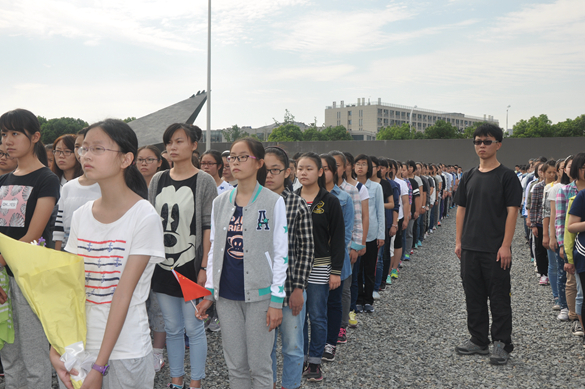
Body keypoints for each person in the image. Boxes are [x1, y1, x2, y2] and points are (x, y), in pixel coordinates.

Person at [50, 119, 166, 389]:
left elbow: (123, 294)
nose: (86, 155)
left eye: (98, 149)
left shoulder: (144, 215)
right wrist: (57, 347)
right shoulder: (81, 215)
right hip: (79, 347)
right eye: (84, 149)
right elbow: (71, 286)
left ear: (126, 159)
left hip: (126, 351)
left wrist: (100, 366)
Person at [197, 138, 288, 389]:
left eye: (242, 157)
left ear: (258, 163)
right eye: (232, 157)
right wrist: (210, 292)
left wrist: (276, 300)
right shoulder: (220, 202)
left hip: (260, 296)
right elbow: (215, 247)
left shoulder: (273, 202)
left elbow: (281, 253)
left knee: (260, 366)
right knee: (235, 366)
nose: (234, 162)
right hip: (226, 296)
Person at [148, 123, 216, 389]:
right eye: (169, 143)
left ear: (193, 145)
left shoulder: (204, 180)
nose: (172, 148)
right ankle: (176, 382)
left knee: (194, 327)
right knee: (172, 328)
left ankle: (196, 383)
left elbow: (208, 226)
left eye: (179, 142)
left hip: (191, 267)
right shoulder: (158, 179)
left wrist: (204, 266)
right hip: (162, 267)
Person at [0, 108, 60, 388]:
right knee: (9, 356)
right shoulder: (4, 180)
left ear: (35, 137)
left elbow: (33, 235)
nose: (7, 141)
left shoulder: (45, 179)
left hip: (30, 277)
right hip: (3, 275)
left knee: (35, 357)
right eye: (3, 135)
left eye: (15, 133)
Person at [454, 123, 522, 365]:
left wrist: (506, 245)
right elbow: (460, 210)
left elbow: (512, 212)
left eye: (487, 141)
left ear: (498, 144)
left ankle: (502, 343)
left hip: (495, 249)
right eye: (477, 141)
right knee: (473, 296)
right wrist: (458, 241)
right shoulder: (468, 176)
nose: (481, 145)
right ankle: (478, 340)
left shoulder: (507, 177)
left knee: (499, 297)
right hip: (470, 247)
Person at [264, 146, 314, 389]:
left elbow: (306, 250)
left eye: (275, 170)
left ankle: (291, 385)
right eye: (265, 170)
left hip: (291, 288)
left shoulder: (297, 204)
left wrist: (298, 288)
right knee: (266, 347)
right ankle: (270, 383)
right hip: (261, 290)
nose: (269, 175)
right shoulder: (254, 202)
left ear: (287, 172)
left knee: (293, 345)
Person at [294, 152, 344, 382]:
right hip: (295, 269)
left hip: (321, 266)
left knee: (317, 315)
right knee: (298, 316)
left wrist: (335, 271)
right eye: (300, 168)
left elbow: (338, 238)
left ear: (320, 172)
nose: (303, 173)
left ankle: (315, 362)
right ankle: (301, 357)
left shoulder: (330, 200)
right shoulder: (291, 198)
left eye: (309, 168)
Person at [320, 153, 353, 362]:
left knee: (333, 303)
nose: (322, 172)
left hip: (335, 260)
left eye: (326, 168)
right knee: (314, 307)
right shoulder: (305, 197)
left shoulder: (344, 198)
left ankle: (330, 343)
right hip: (311, 262)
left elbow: (346, 233)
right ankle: (315, 344)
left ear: (335, 171)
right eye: (319, 167)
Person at [329, 150, 363, 343]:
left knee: (344, 287)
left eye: (337, 165)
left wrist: (355, 246)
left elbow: (357, 220)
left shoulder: (350, 190)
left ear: (344, 168)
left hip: (345, 247)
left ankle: (341, 325)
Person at [53, 128, 102, 252]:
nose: (82, 152)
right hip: (68, 252)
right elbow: (59, 225)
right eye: (77, 146)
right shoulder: (69, 187)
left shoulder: (105, 186)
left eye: (87, 146)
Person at [353, 154, 384, 313]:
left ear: (369, 168)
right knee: (357, 270)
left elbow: (380, 211)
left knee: (369, 269)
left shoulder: (376, 187)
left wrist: (381, 235)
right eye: (357, 164)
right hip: (356, 234)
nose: (360, 167)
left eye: (364, 164)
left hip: (372, 234)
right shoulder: (351, 186)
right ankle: (358, 299)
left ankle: (368, 300)